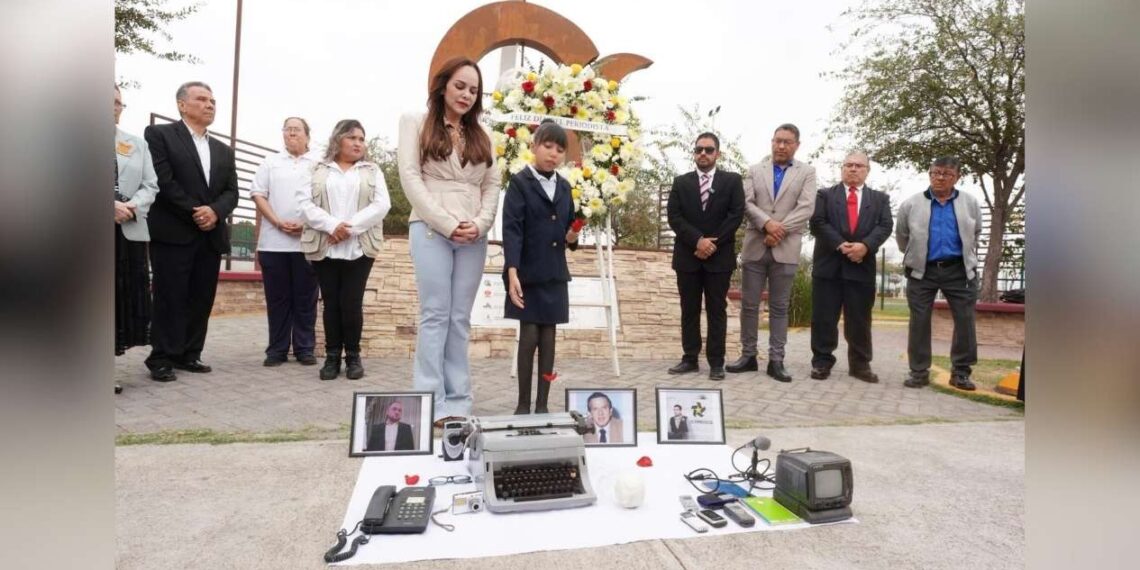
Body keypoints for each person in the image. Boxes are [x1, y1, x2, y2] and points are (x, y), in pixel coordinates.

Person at [398, 58, 499, 422]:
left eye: (473, 90)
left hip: (473, 235)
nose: (466, 95)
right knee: (435, 315)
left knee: (459, 319)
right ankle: (429, 402)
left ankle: (458, 401)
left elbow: (492, 185)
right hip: (430, 230)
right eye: (460, 86)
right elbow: (410, 177)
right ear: (443, 86)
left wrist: (482, 223)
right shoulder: (415, 122)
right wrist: (445, 223)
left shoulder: (484, 134)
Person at [143, 81, 238, 382]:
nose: (210, 105)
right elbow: (163, 181)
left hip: (209, 235)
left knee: (201, 297)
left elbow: (231, 192)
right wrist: (197, 211)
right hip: (174, 232)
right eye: (201, 99)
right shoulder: (160, 136)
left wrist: (216, 211)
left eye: (213, 100)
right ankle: (161, 357)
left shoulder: (223, 150)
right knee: (170, 296)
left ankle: (190, 353)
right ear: (182, 104)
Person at [298, 119, 391, 381]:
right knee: (331, 303)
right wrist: (331, 226)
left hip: (359, 246)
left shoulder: (372, 170)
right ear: (338, 139)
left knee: (351, 303)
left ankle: (353, 357)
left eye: (361, 139)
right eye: (352, 138)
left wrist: (348, 228)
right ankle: (331, 357)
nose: (358, 143)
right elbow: (304, 203)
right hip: (326, 245)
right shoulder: (318, 169)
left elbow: (382, 205)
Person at [727, 123, 818, 382]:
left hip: (786, 247)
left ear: (796, 145)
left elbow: (806, 208)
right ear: (771, 142)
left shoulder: (807, 172)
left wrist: (778, 230)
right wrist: (766, 224)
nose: (780, 146)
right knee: (749, 305)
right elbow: (745, 202)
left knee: (779, 307)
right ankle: (748, 356)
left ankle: (776, 360)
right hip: (755, 245)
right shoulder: (755, 170)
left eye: (787, 142)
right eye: (777, 141)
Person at [502, 120, 579, 414]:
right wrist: (512, 271)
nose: (554, 154)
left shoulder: (565, 186)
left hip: (555, 274)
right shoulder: (520, 183)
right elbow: (512, 230)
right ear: (534, 147)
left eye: (560, 149)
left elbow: (568, 231)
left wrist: (572, 237)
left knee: (549, 341)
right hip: (527, 274)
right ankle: (523, 404)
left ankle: (543, 405)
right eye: (548, 146)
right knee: (530, 336)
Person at [896, 156, 982, 391]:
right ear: (929, 173)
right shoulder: (911, 204)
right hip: (923, 271)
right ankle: (919, 371)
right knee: (919, 322)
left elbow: (975, 232)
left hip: (959, 270)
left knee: (965, 321)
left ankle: (961, 372)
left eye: (946, 174)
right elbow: (902, 237)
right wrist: (916, 256)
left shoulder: (970, 203)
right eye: (936, 172)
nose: (940, 177)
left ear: (957, 177)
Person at [665, 132, 745, 380]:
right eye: (699, 149)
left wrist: (712, 243)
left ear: (717, 154)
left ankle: (716, 362)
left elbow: (736, 215)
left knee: (716, 310)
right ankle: (690, 358)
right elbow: (674, 217)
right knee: (688, 309)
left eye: (708, 150)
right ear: (694, 153)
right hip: (687, 256)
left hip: (719, 258)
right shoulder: (681, 182)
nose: (703, 153)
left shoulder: (732, 181)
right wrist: (697, 240)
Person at [808, 152, 893, 383]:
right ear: (842, 168)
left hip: (861, 268)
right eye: (848, 165)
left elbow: (885, 226)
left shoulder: (880, 199)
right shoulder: (824, 195)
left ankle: (860, 364)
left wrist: (865, 246)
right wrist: (840, 244)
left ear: (867, 170)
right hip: (829, 268)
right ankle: (822, 362)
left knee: (860, 319)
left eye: (858, 165)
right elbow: (817, 223)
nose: (853, 169)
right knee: (824, 318)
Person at [250, 117, 319, 367]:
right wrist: (277, 222)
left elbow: (324, 200)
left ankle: (304, 348)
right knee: (277, 299)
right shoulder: (270, 162)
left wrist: (307, 224)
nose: (291, 133)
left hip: (307, 242)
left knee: (305, 299)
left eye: (296, 129)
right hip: (273, 243)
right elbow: (258, 194)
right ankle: (277, 349)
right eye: (287, 129)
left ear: (307, 136)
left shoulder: (319, 164)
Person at [114, 85, 159, 393]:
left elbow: (150, 184)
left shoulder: (135, 143)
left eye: (118, 102)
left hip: (126, 232)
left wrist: (132, 205)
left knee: (118, 300)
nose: (114, 106)